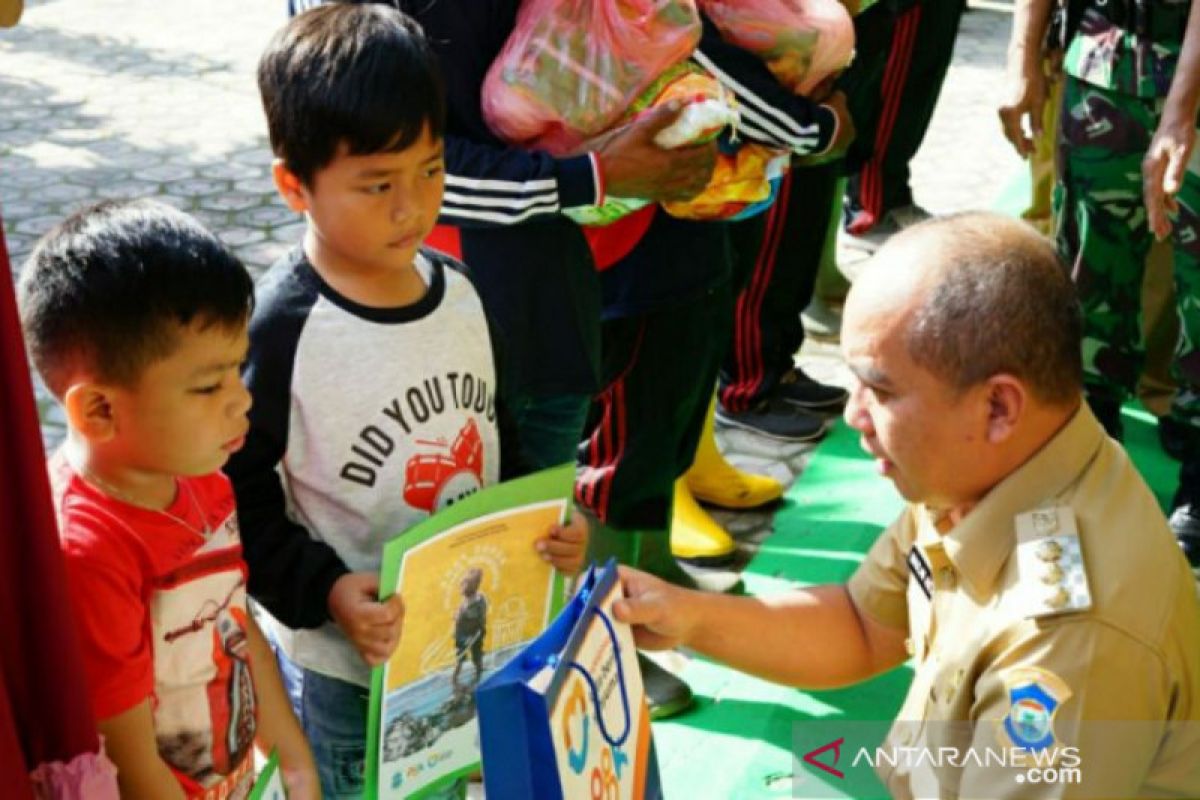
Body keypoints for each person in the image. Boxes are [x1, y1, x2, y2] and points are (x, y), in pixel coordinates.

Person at [614, 213, 1200, 797]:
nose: (853, 416)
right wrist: (685, 616)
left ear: (998, 408)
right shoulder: (985, 472)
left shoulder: (1070, 640)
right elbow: (864, 623)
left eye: (882, 391)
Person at [224, 7, 587, 797]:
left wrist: (551, 522)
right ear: (294, 186)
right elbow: (236, 495)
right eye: (377, 184)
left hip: (474, 647)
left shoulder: (460, 292)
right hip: (348, 677)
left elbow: (501, 440)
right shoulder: (279, 332)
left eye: (429, 170)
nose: (411, 206)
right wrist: (322, 589)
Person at [17, 199, 319, 799]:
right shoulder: (88, 553)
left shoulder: (201, 473)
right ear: (99, 409)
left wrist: (293, 765)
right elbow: (130, 758)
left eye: (238, 370)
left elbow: (235, 623)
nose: (242, 401)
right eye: (209, 385)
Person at [1001, 0, 1200, 567]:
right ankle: (1087, 446)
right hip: (1103, 64)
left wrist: (1180, 114)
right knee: (1088, 274)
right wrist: (1023, 57)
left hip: (1192, 82)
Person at [451, 568, 487, 691]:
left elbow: (477, 616)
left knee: (474, 656)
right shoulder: (468, 602)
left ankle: (476, 674)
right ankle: (456, 679)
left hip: (473, 634)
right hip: (463, 635)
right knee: (461, 657)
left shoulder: (477, 601)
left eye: (464, 586)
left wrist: (460, 616)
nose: (461, 588)